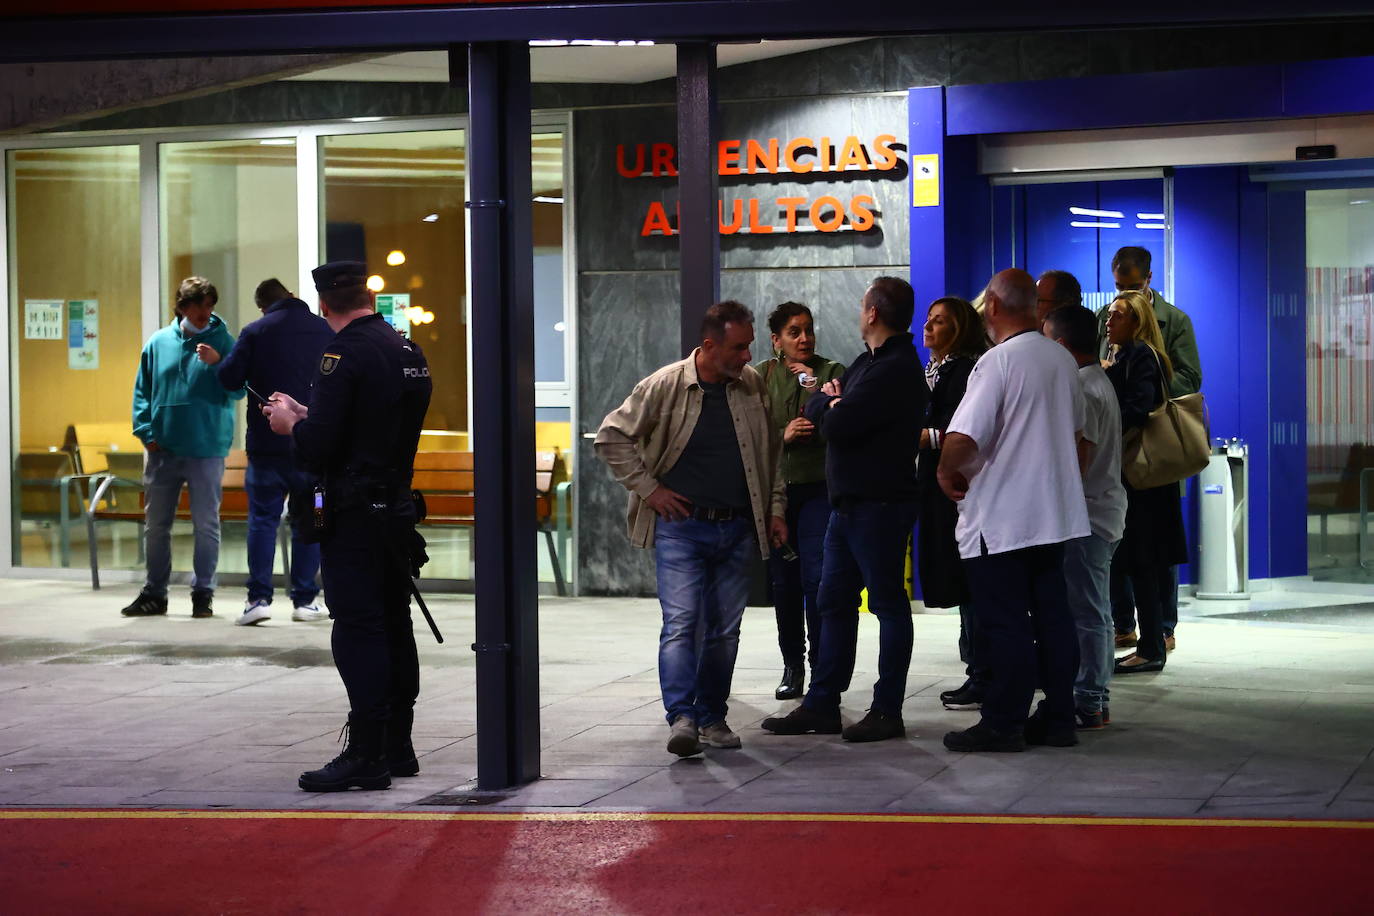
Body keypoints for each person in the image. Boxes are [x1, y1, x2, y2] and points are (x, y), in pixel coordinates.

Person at [262, 261, 433, 792]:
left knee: (359, 628)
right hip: (396, 505)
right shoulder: (406, 349)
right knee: (394, 622)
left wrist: (292, 422)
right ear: (368, 296)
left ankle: (365, 753)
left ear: (323, 305)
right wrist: (313, 412)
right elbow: (371, 426)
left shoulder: (342, 354)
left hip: (355, 513)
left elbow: (320, 445)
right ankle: (397, 744)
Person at [595, 301, 787, 758]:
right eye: (738, 348)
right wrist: (650, 490)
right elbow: (611, 436)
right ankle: (682, 717)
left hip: (737, 526)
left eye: (749, 346)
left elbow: (771, 456)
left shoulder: (752, 385)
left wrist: (776, 509)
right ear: (709, 345)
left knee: (725, 630)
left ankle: (712, 716)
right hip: (682, 528)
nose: (746, 356)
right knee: (681, 624)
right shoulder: (665, 385)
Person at [761, 276, 927, 743]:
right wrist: (831, 399)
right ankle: (821, 703)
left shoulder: (893, 367)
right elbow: (834, 403)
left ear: (873, 313)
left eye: (861, 306)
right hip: (848, 507)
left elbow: (836, 422)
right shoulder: (866, 363)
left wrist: (825, 402)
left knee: (888, 606)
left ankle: (886, 709)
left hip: (879, 506)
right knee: (832, 602)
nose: (858, 313)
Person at [937, 269, 1088, 753]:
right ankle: (1060, 717)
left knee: (1004, 624)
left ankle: (1004, 721)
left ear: (995, 308)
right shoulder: (1062, 361)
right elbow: (1080, 443)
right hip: (1054, 515)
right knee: (1053, 618)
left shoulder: (997, 363)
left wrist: (945, 471)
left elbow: (963, 437)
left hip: (1002, 520)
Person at [197, 278, 335, 626]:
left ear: (262, 306)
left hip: (265, 448)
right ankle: (306, 600)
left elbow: (230, 379)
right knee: (314, 519)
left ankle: (258, 598)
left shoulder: (255, 331)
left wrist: (221, 361)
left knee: (262, 521)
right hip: (312, 448)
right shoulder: (325, 330)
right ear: (290, 296)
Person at [1095, 246, 1201, 653]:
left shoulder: (1174, 321)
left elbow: (1189, 376)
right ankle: (1125, 623)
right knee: (1119, 540)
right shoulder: (1108, 316)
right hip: (1117, 456)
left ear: (1150, 279)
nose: (1125, 292)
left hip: (1153, 450)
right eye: (1120, 286)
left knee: (1156, 545)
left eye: (1133, 285)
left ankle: (1163, 624)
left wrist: (1135, 380)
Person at [121, 277, 242, 620]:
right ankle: (154, 593)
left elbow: (239, 391)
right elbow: (142, 390)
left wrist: (220, 363)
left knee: (206, 524)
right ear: (182, 306)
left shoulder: (224, 341)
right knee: (156, 525)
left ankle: (203, 592)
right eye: (199, 305)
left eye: (210, 305)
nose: (206, 312)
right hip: (163, 449)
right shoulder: (158, 342)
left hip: (206, 448)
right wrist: (146, 431)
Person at [753, 302, 845, 701]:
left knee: (817, 579)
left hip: (819, 489)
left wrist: (813, 389)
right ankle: (793, 665)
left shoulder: (832, 373)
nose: (804, 338)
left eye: (808, 330)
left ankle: (823, 670)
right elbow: (749, 433)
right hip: (777, 494)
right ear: (776, 340)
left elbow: (847, 425)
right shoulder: (759, 376)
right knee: (784, 582)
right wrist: (782, 435)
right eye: (794, 332)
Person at [1043, 304, 1126, 728]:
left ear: (1059, 345)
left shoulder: (1083, 387)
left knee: (1090, 611)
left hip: (1089, 516)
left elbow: (1079, 456)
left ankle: (1091, 697)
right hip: (1101, 510)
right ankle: (1091, 693)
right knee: (1091, 608)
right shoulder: (1097, 380)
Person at [1103, 290, 1187, 675]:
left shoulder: (1140, 356)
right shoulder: (1126, 355)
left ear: (1136, 321)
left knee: (1143, 562)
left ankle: (1151, 646)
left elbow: (1136, 409)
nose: (1108, 321)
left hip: (1143, 479)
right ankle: (1148, 643)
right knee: (1138, 562)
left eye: (1117, 316)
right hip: (1138, 478)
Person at [915, 296, 989, 711]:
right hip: (935, 486)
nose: (928, 327)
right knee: (960, 583)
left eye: (939, 322)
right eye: (928, 319)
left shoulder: (963, 370)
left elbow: (965, 429)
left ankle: (981, 671)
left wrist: (926, 437)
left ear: (958, 329)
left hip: (957, 487)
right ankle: (974, 668)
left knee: (968, 581)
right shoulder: (933, 369)